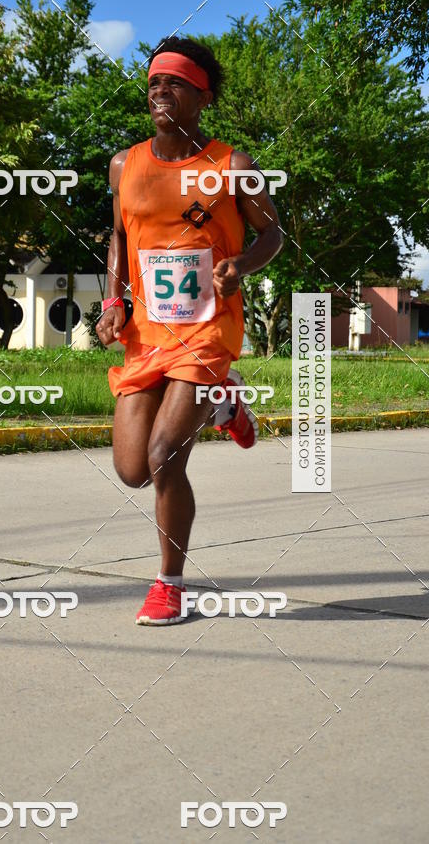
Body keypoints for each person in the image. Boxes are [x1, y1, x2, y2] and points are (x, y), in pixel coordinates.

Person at [96, 36, 283, 626]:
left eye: (174, 83)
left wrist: (241, 266)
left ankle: (168, 585)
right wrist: (113, 300)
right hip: (147, 334)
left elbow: (273, 234)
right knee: (131, 469)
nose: (160, 92)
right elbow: (121, 237)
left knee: (162, 458)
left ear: (202, 97)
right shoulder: (125, 164)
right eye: (154, 83)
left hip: (207, 329)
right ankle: (225, 403)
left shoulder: (232, 166)